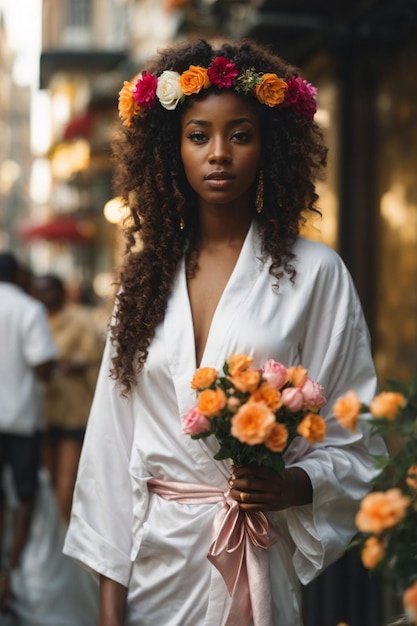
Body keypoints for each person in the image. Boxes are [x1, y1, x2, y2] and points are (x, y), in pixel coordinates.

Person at [63, 38, 386, 626]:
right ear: (171, 150)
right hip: (155, 564)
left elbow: (357, 433)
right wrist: (109, 609)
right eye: (198, 136)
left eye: (240, 134)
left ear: (269, 148)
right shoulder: (144, 280)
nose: (219, 154)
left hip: (259, 553)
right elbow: (110, 450)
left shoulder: (316, 273)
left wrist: (293, 484)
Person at [0, 252, 57, 614]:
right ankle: (10, 574)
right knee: (25, 497)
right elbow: (43, 368)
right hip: (19, 419)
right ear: (19, 274)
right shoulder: (27, 309)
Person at [32, 273, 104, 525]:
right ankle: (54, 540)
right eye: (39, 291)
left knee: (67, 479)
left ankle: (64, 535)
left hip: (74, 410)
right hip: (42, 410)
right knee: (48, 481)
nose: (45, 296)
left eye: (50, 290)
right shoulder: (33, 319)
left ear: (62, 292)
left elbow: (94, 355)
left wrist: (68, 364)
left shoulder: (81, 319)